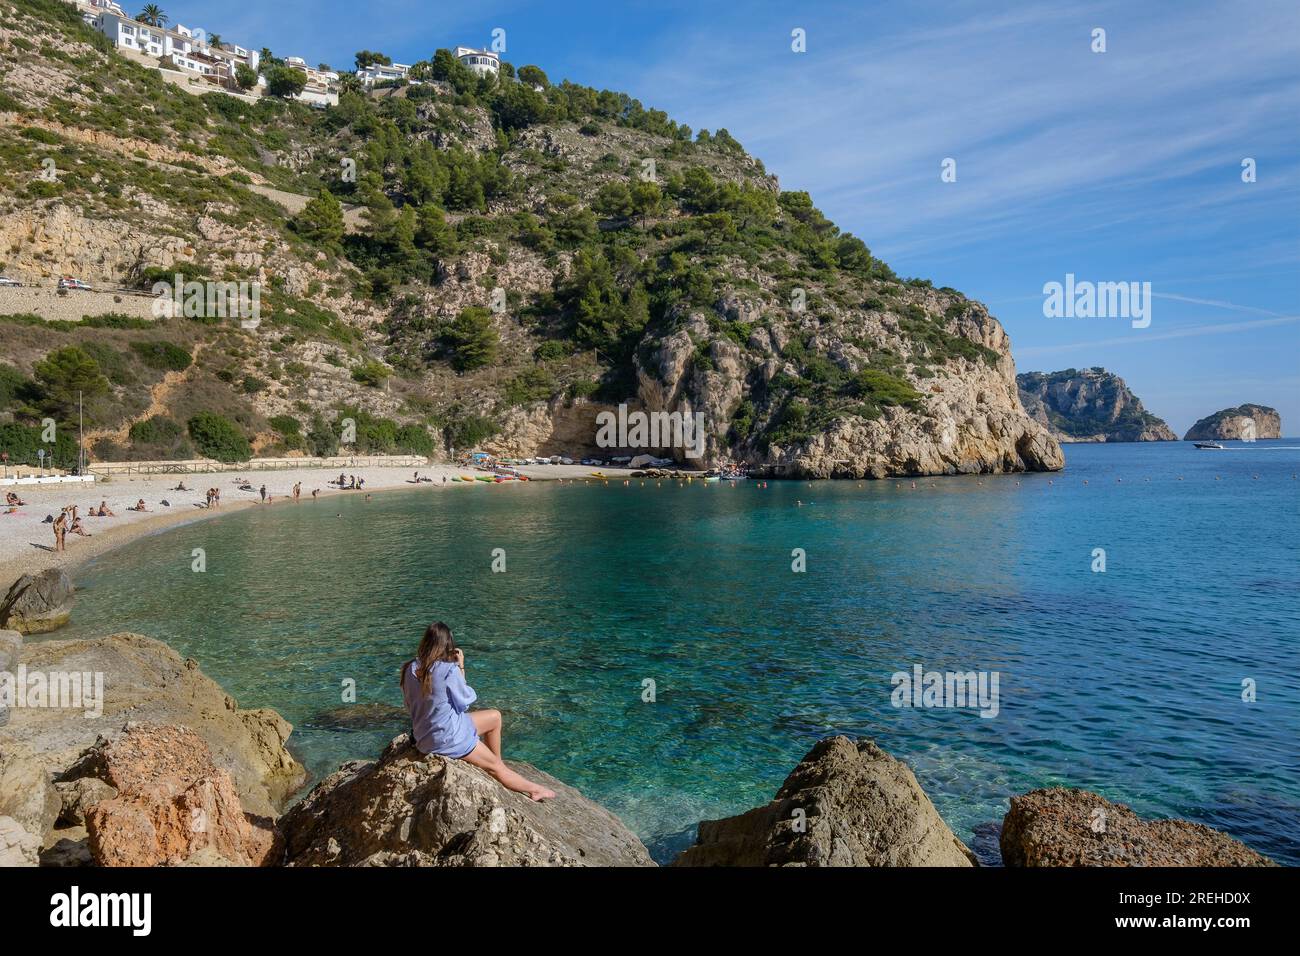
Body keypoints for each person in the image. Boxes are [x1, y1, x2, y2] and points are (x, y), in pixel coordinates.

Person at [399, 622, 555, 801]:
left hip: (423, 736)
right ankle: (530, 787)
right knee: (495, 766)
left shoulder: (408, 668)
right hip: (447, 737)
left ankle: (496, 762)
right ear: (448, 645)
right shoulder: (449, 670)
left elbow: (410, 705)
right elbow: (464, 702)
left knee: (495, 717)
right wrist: (461, 667)